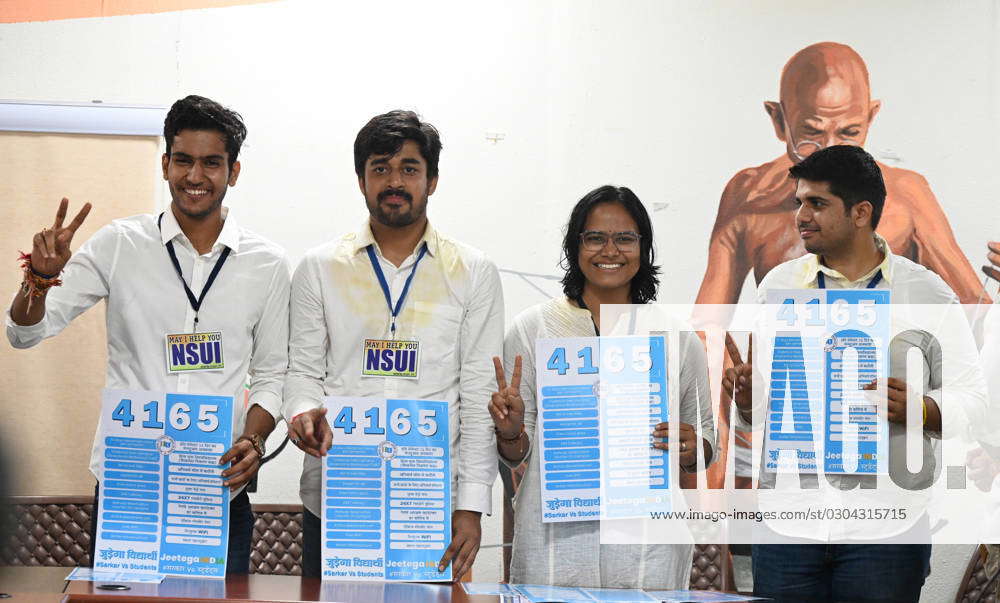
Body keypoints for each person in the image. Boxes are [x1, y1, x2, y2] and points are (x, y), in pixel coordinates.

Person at [5, 95, 290, 573]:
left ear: (233, 172)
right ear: (165, 164)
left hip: (218, 489)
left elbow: (273, 374)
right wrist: (38, 277)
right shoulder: (120, 244)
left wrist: (255, 441)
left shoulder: (268, 264)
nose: (195, 177)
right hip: (128, 486)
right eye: (183, 160)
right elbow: (26, 332)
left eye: (211, 163)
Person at [698, 41, 989, 490]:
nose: (828, 150)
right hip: (791, 437)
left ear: (871, 116)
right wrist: (740, 390)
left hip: (879, 443)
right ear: (779, 120)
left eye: (849, 132)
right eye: (811, 134)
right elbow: (706, 327)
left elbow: (976, 311)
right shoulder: (747, 198)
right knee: (707, 382)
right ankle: (712, 540)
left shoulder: (909, 196)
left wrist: (926, 406)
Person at [728, 144, 986, 602]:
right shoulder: (778, 288)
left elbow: (974, 400)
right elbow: (762, 411)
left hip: (886, 531)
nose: (801, 215)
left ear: (861, 212)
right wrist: (748, 399)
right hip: (789, 524)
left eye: (817, 204)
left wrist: (922, 408)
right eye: (799, 202)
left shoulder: (926, 293)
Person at [282, 110, 503, 581]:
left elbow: (479, 392)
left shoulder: (472, 270)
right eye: (379, 168)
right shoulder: (319, 268)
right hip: (338, 497)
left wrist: (472, 506)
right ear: (361, 180)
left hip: (432, 505)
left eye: (409, 168)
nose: (394, 181)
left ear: (433, 180)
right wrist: (302, 412)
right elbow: (301, 372)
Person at [490, 185, 715, 588]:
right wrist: (511, 432)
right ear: (574, 247)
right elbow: (514, 454)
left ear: (643, 248)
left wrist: (692, 446)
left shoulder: (676, 338)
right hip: (554, 540)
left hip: (649, 544)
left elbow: (705, 447)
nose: (609, 251)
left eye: (625, 239)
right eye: (595, 238)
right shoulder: (533, 328)